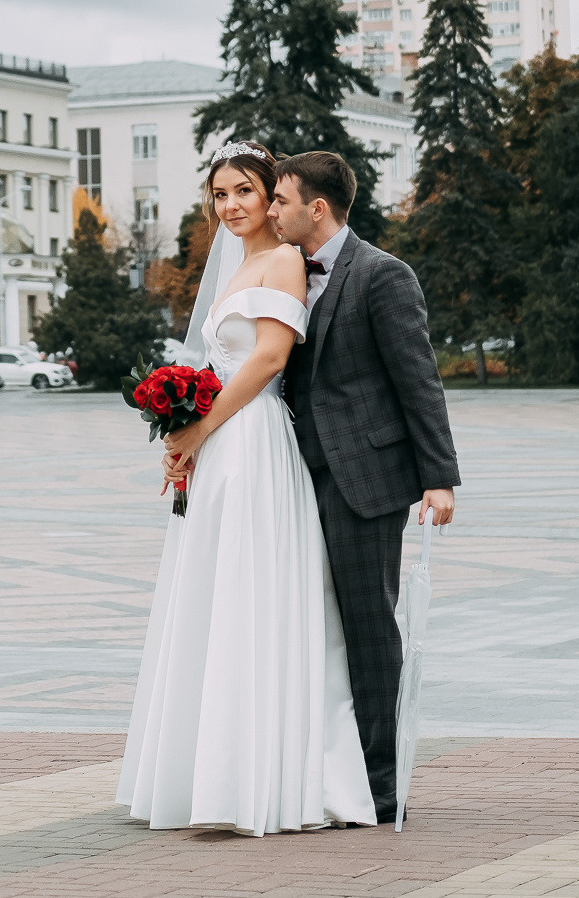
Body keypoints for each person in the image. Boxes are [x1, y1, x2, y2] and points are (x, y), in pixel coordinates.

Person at [116, 142, 373, 834]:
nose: (231, 205)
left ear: (272, 197)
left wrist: (200, 430)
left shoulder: (286, 259)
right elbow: (215, 360)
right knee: (210, 594)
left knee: (250, 592)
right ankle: (207, 775)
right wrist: (183, 433)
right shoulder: (229, 265)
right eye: (219, 194)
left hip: (254, 440)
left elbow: (266, 358)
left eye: (244, 191)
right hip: (220, 441)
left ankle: (262, 778)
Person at [268, 150, 460, 826]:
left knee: (370, 628)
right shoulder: (284, 271)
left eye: (280, 200)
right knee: (312, 627)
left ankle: (382, 785)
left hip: (365, 480)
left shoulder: (382, 274)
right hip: (293, 476)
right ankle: (324, 771)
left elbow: (419, 379)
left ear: (316, 207)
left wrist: (438, 477)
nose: (270, 211)